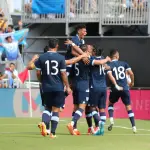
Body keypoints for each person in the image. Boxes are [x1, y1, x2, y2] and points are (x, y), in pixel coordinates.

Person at [88, 48, 123, 136]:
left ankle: (99, 123)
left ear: (94, 52)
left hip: (94, 87)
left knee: (92, 107)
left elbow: (99, 63)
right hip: (104, 87)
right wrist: (106, 62)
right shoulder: (104, 60)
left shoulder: (93, 59)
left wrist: (106, 61)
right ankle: (101, 129)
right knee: (102, 109)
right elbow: (108, 69)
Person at [107, 49, 137, 133]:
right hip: (125, 88)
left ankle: (112, 120)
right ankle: (134, 126)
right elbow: (131, 73)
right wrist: (132, 82)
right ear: (116, 56)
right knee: (128, 107)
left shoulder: (109, 64)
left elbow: (109, 76)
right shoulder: (124, 63)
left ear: (111, 56)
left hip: (115, 88)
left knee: (110, 103)